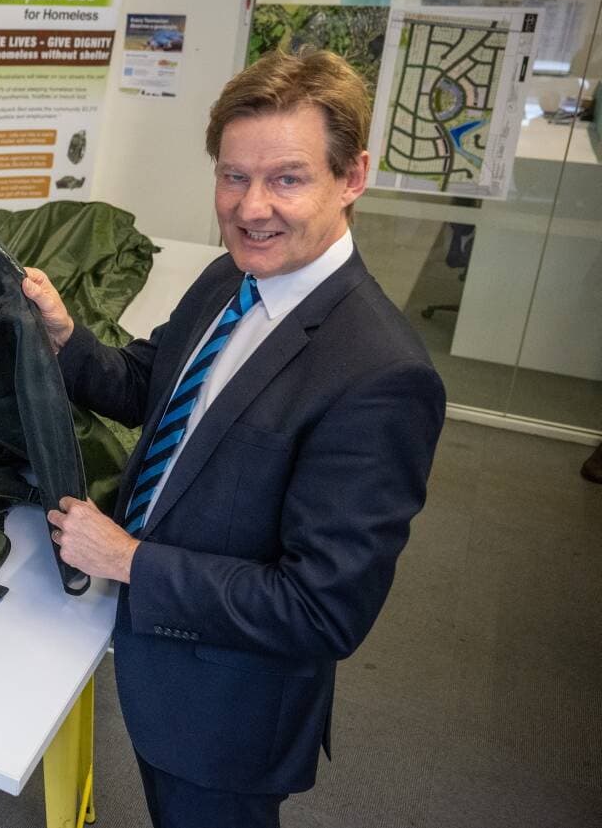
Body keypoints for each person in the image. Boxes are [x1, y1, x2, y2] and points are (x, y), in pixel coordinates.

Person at [22, 49, 446, 827]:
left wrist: (130, 561)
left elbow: (322, 609)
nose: (251, 207)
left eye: (287, 178)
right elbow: (156, 385)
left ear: (353, 177)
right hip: (160, 665)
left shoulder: (382, 375)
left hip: (228, 715)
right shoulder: (234, 275)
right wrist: (65, 338)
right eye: (232, 176)